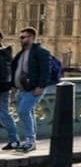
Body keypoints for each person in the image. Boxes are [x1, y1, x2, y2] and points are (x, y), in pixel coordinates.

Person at [11, 26, 50, 154]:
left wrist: (41, 86)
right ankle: (31, 140)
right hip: (22, 90)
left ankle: (30, 140)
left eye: (23, 37)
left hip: (33, 89)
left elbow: (45, 71)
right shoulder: (21, 53)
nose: (21, 40)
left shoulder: (41, 52)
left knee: (23, 112)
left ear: (32, 38)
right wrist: (14, 87)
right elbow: (16, 70)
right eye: (20, 38)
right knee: (29, 113)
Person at [0, 30, 20, 151]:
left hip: (1, 87)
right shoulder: (6, 52)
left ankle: (14, 140)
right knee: (5, 113)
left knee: (4, 113)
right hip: (5, 87)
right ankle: (14, 140)